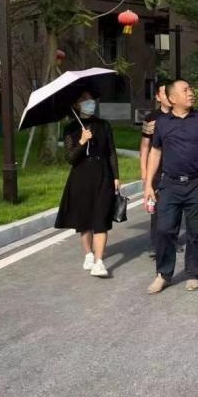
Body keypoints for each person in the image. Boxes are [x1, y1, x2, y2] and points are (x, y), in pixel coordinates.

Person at [144, 79, 198, 294]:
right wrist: (148, 184)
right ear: (172, 98)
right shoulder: (162, 123)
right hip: (170, 184)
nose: (191, 92)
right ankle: (163, 274)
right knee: (164, 229)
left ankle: (193, 273)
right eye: (185, 90)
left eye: (190, 89)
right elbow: (155, 152)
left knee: (195, 231)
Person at [55, 91, 121, 277]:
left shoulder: (104, 125)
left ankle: (99, 262)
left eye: (90, 98)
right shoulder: (71, 128)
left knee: (101, 218)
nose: (89, 102)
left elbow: (111, 152)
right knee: (84, 220)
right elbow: (70, 158)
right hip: (81, 176)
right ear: (76, 105)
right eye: (84, 99)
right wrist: (82, 141)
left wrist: (116, 176)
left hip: (103, 174)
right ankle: (88, 254)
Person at [139, 84, 183, 258]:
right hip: (157, 169)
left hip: (177, 168)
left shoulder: (181, 115)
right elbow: (145, 146)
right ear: (158, 97)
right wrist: (144, 171)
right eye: (164, 93)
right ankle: (156, 244)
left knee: (176, 207)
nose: (167, 95)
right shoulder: (151, 119)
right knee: (157, 208)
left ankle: (173, 240)